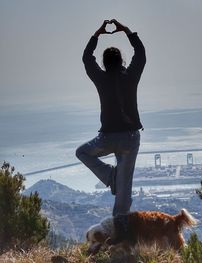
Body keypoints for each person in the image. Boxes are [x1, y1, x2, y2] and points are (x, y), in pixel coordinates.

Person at [76, 19, 146, 235]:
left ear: (105, 63)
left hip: (106, 138)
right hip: (130, 138)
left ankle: (109, 176)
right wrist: (126, 30)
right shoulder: (131, 76)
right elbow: (141, 53)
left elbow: (87, 58)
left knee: (82, 152)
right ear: (121, 61)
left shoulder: (100, 78)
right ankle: (120, 229)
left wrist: (97, 34)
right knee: (124, 190)